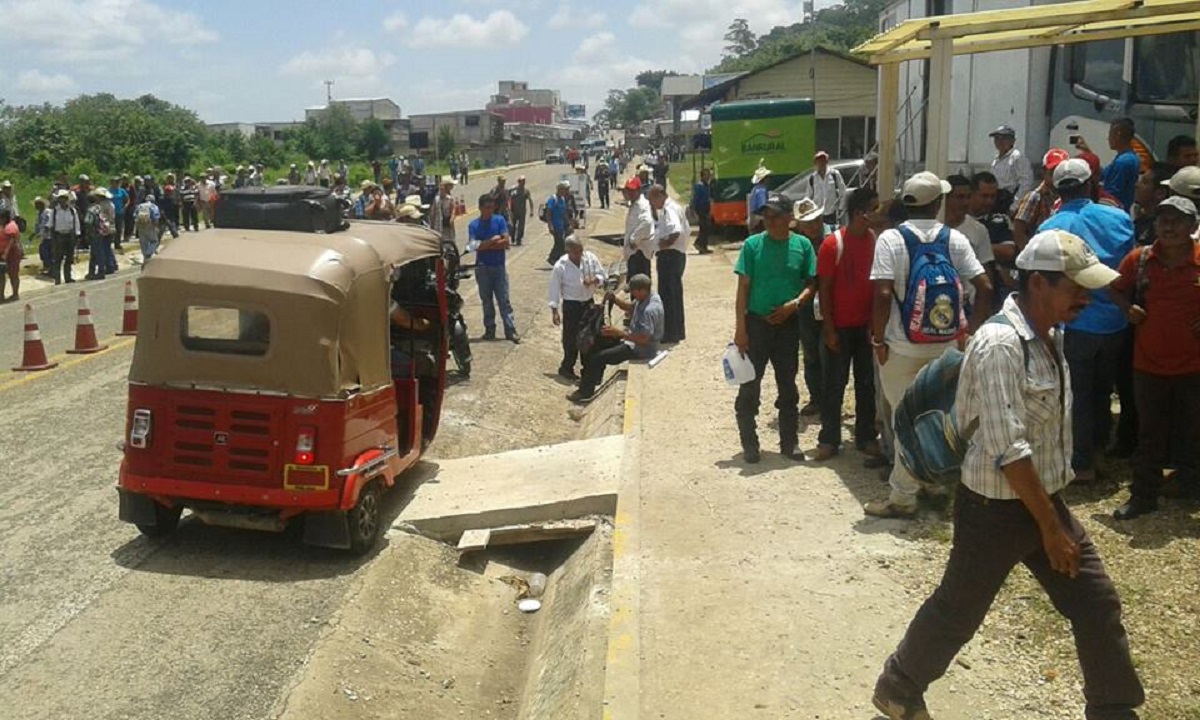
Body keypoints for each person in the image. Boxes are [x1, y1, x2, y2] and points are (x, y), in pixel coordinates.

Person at [871, 229, 1143, 720]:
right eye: (1074, 287)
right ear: (1038, 284)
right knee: (959, 610)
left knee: (1096, 603)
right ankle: (899, 686)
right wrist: (1051, 528)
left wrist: (1051, 518)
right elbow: (1009, 450)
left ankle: (1114, 708)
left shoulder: (1051, 336)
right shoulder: (999, 345)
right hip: (995, 509)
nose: (1085, 296)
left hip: (1042, 500)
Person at [865, 172, 992, 518]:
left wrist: (878, 338)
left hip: (900, 347)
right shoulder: (955, 239)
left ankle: (903, 498)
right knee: (940, 416)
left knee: (905, 420)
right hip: (947, 344)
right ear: (937, 203)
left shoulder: (890, 239)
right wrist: (972, 331)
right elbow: (985, 285)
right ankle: (936, 483)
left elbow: (882, 293)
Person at [1038, 158, 1134, 484]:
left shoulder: (1050, 227)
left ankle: (1081, 462)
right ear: (1091, 183)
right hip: (1115, 322)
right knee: (1103, 390)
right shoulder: (1119, 218)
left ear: (1056, 188)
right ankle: (1098, 449)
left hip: (1075, 324)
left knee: (1075, 393)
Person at [1109, 195, 1200, 520]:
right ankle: (1143, 496)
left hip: (1194, 367)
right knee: (1150, 435)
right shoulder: (1141, 259)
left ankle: (1189, 488)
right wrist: (1126, 309)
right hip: (1148, 365)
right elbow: (1114, 287)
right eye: (1164, 219)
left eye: (1177, 220)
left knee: (1193, 432)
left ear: (1193, 226)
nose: (1169, 226)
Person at [732, 191, 817, 464]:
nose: (770, 221)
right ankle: (750, 443)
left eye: (776, 216)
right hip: (757, 324)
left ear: (790, 218)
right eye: (766, 216)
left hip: (789, 325)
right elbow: (742, 289)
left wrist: (794, 304)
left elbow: (812, 283)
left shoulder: (802, 246)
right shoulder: (752, 245)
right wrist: (741, 329)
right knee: (749, 385)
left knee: (788, 385)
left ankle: (789, 442)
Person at [810, 187, 882, 462]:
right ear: (858, 213)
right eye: (873, 209)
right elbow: (824, 289)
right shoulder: (832, 245)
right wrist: (829, 328)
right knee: (833, 385)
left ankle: (865, 436)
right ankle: (829, 439)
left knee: (866, 384)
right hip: (838, 327)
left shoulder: (875, 241)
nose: (876, 215)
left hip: (864, 327)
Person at [569, 274, 662, 403]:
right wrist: (615, 300)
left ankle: (585, 393)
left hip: (640, 349)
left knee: (598, 358)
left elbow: (644, 339)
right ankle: (591, 378)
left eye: (634, 292)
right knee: (595, 345)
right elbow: (631, 307)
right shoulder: (647, 297)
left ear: (641, 290)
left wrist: (620, 333)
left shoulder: (649, 310)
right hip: (632, 340)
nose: (633, 295)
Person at [549, 235, 606, 380]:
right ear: (568, 251)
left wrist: (595, 280)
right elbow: (554, 289)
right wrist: (554, 311)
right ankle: (567, 366)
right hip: (571, 305)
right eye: (576, 252)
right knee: (571, 338)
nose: (579, 254)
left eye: (580, 250)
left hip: (588, 303)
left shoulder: (590, 258)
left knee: (589, 336)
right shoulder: (560, 266)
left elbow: (603, 275)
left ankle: (587, 368)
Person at [791, 198, 829, 417]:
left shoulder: (832, 241)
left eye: (816, 221)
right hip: (806, 306)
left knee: (830, 352)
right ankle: (816, 397)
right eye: (807, 223)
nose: (813, 227)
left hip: (829, 305)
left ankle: (832, 397)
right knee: (811, 352)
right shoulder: (796, 246)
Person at [467, 194, 519, 344]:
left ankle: (510, 329)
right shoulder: (473, 225)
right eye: (487, 207)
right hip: (483, 267)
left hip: (498, 266)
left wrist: (485, 245)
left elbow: (506, 242)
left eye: (492, 207)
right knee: (486, 300)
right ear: (480, 208)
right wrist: (492, 241)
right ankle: (490, 329)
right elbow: (473, 246)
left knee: (503, 299)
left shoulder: (499, 220)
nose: (490, 210)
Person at [945, 174, 997, 315]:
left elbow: (986, 271)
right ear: (946, 199)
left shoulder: (978, 230)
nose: (965, 202)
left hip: (969, 305)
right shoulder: (936, 228)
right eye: (960, 197)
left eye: (968, 197)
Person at [648, 185, 689, 343]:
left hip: (670, 256)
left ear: (659, 195)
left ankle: (670, 333)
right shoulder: (674, 207)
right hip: (677, 255)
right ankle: (678, 330)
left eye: (652, 199)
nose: (652, 204)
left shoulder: (668, 209)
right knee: (675, 294)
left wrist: (662, 245)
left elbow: (675, 231)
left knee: (667, 295)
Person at [1013, 149, 1069, 250]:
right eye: (1053, 171)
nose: (1057, 175)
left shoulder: (1068, 195)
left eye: (1061, 171)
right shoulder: (1035, 197)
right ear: (1044, 172)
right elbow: (1019, 230)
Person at [987, 124, 1033, 212]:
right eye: (997, 138)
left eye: (1004, 138)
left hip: (1008, 201)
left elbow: (1026, 183)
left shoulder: (1017, 157)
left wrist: (1014, 207)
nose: (999, 141)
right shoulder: (996, 160)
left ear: (1012, 141)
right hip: (995, 200)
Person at [1101, 118, 1141, 211]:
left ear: (1118, 135)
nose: (1108, 138)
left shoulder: (1123, 161)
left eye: (1110, 134)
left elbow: (1113, 194)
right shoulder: (1128, 157)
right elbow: (1103, 174)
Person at [622, 177, 654, 281]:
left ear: (639, 190)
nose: (630, 193)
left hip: (639, 252)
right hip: (633, 252)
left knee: (640, 286)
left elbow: (647, 222)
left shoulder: (642, 205)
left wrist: (634, 239)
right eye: (628, 190)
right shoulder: (634, 204)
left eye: (632, 190)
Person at [804, 151, 847, 227]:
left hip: (832, 212)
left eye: (823, 160)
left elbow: (843, 191)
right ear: (816, 163)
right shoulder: (812, 178)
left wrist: (841, 208)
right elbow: (808, 196)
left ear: (826, 161)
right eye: (819, 161)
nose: (821, 163)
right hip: (817, 213)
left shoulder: (834, 174)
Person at [48, 189, 81, 284]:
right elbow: (50, 225)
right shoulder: (54, 212)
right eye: (61, 198)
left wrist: (77, 236)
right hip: (59, 236)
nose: (63, 200)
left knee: (69, 257)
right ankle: (57, 278)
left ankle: (68, 277)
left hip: (70, 236)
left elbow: (76, 224)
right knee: (58, 258)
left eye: (64, 198)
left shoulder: (72, 211)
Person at [84, 187, 117, 280]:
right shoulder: (104, 206)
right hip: (104, 230)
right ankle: (106, 268)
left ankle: (94, 272)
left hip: (95, 233)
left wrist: (87, 233)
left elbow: (88, 222)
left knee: (96, 253)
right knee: (104, 250)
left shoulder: (91, 209)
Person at [545, 180, 572, 265]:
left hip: (561, 226)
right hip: (555, 225)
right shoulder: (553, 199)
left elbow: (564, 213)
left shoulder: (562, 199)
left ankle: (556, 258)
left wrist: (568, 224)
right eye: (565, 189)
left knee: (560, 243)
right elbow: (548, 213)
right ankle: (552, 258)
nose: (567, 191)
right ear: (560, 189)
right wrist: (550, 225)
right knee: (559, 243)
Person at [430, 178, 458, 250]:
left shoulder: (449, 199)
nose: (441, 191)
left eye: (443, 189)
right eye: (440, 190)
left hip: (447, 225)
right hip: (438, 224)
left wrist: (452, 218)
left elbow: (453, 209)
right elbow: (433, 213)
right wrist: (432, 225)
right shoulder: (436, 200)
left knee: (450, 241)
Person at [134, 193, 162, 264]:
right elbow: (156, 218)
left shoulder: (140, 206)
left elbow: (135, 215)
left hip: (140, 226)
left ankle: (145, 259)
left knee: (143, 244)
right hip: (150, 225)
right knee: (155, 241)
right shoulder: (153, 206)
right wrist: (156, 226)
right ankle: (149, 253)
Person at [0, 209, 21, 302]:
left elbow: (11, 242)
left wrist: (5, 253)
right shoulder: (2, 226)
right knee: (1, 275)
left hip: (12, 254)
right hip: (2, 253)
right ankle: (1, 295)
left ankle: (15, 294)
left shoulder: (11, 226)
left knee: (13, 274)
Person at [692, 168, 714, 254]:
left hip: (706, 207)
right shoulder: (699, 185)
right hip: (700, 208)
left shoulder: (706, 185)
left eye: (709, 174)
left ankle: (703, 246)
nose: (708, 176)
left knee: (706, 228)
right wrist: (694, 210)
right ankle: (698, 243)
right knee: (704, 227)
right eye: (706, 174)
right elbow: (695, 198)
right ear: (702, 176)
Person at [508, 176, 533, 246]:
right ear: (518, 182)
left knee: (521, 226)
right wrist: (509, 209)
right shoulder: (513, 190)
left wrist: (531, 210)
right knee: (512, 226)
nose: (523, 183)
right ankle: (512, 236)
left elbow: (530, 200)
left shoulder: (526, 191)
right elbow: (509, 200)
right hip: (514, 211)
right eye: (522, 181)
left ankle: (519, 239)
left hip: (522, 211)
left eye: (524, 181)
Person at [748, 165, 771, 233]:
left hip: (754, 219)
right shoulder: (762, 190)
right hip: (760, 220)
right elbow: (762, 206)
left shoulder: (755, 188)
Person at [109, 177, 128, 249]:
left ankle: (117, 243)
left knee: (119, 228)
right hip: (111, 213)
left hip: (120, 212)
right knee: (111, 228)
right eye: (115, 181)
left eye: (118, 182)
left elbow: (127, 199)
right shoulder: (109, 191)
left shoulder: (122, 191)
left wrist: (125, 207)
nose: (116, 183)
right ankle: (110, 242)